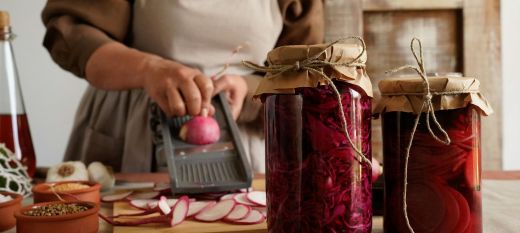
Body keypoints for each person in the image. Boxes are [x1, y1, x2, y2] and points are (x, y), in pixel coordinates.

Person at [41, 0, 324, 173]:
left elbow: (304, 72)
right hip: (130, 132)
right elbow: (71, 32)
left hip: (247, 140)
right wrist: (148, 68)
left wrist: (250, 89)